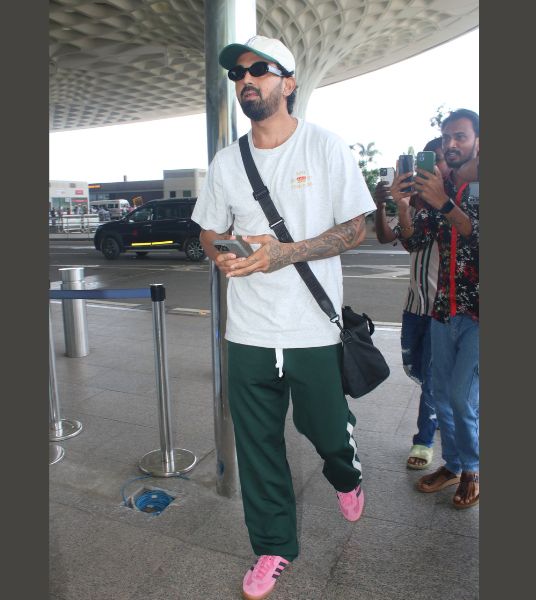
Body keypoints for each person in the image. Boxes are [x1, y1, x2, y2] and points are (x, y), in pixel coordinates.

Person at [191, 35, 374, 600]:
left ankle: (345, 473)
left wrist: (284, 253)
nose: (246, 79)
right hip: (247, 330)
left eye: (260, 70)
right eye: (238, 73)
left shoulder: (325, 147)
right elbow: (208, 230)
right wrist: (221, 253)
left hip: (311, 327)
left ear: (289, 83)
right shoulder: (227, 162)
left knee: (326, 430)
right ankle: (273, 547)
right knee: (258, 445)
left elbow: (356, 228)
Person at [390, 109, 480, 509]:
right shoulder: (441, 189)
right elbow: (413, 241)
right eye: (446, 138)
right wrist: (403, 205)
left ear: (478, 142)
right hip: (444, 309)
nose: (451, 144)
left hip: (479, 313)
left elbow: (475, 232)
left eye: (460, 136)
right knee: (441, 393)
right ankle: (454, 465)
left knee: (461, 396)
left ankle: (473, 470)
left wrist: (443, 202)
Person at [373, 137, 450, 470]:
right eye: (424, 164)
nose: (430, 169)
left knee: (431, 377)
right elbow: (388, 237)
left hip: (443, 309)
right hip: (414, 306)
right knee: (417, 370)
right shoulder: (414, 207)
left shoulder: (453, 206)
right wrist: (385, 205)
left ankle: (424, 439)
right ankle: (443, 412)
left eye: (438, 161)